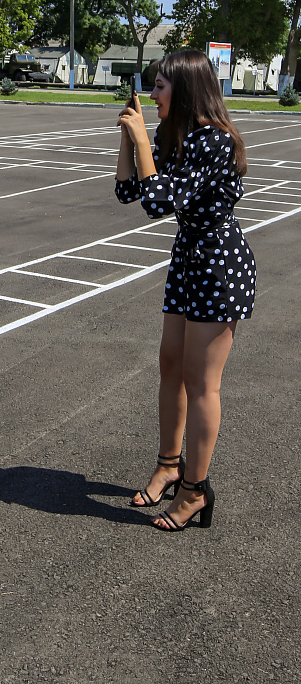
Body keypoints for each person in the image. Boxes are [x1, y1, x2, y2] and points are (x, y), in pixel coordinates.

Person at [115, 49, 255, 531]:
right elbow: (128, 192)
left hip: (219, 265)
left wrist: (142, 141)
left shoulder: (213, 141)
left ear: (186, 90)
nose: (153, 95)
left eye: (159, 87)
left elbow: (159, 203)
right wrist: (128, 140)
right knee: (170, 367)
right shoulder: (176, 135)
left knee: (201, 382)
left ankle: (195, 490)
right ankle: (168, 465)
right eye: (152, 87)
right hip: (188, 261)